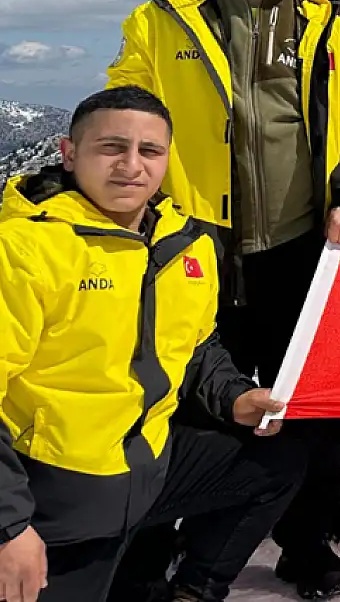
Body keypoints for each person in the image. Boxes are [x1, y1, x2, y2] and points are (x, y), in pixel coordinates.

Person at [107, 0, 340, 600]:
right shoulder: (163, 21)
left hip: (297, 249)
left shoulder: (331, 29)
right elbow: (125, 112)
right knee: (171, 406)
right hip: (193, 247)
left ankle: (289, 548)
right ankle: (146, 567)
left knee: (297, 415)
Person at [0, 87, 299, 602]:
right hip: (56, 496)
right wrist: (9, 528)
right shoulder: (27, 249)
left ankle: (194, 589)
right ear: (69, 154)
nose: (131, 166)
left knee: (280, 458)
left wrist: (232, 397)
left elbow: (198, 344)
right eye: (112, 148)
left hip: (148, 468)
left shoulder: (186, 243)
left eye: (150, 151)